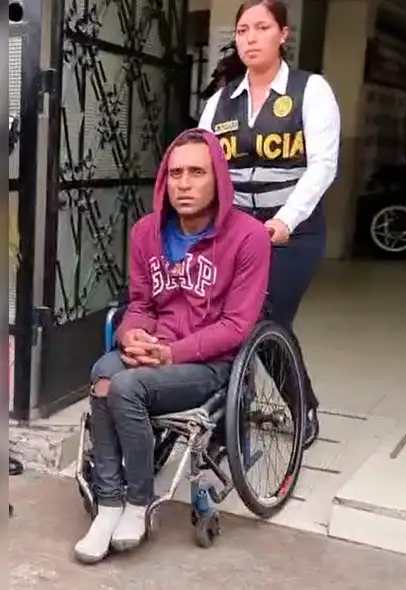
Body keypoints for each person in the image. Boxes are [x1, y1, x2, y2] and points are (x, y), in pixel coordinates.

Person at [73, 129, 272, 564]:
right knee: (104, 376)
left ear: (218, 178)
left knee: (127, 388)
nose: (184, 183)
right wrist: (133, 334)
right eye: (176, 173)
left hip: (209, 363)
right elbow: (141, 303)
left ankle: (138, 503)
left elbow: (238, 325)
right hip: (155, 352)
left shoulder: (249, 237)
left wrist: (171, 354)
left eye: (197, 172)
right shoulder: (148, 232)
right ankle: (108, 504)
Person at [199, 0, 341, 447]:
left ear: (283, 34)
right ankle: (230, 409)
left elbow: (323, 165)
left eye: (262, 28)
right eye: (243, 30)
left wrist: (284, 220)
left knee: (267, 315)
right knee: (221, 316)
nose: (251, 38)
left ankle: (303, 409)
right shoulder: (220, 102)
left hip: (293, 233)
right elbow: (203, 163)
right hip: (235, 232)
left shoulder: (310, 90)